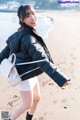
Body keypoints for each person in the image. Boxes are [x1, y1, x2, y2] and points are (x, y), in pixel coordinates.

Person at [0, 4, 70, 120]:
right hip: (23, 76)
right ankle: (6, 118)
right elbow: (42, 60)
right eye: (28, 16)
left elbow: (2, 55)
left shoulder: (21, 34)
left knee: (37, 98)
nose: (33, 18)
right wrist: (61, 79)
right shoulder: (28, 38)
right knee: (27, 104)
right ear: (22, 20)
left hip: (30, 73)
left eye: (33, 13)